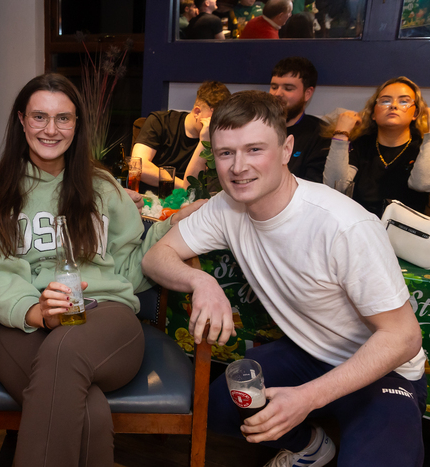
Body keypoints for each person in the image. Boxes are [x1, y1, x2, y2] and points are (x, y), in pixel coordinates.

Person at [142, 90, 426, 467]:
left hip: (382, 368)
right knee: (220, 409)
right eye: (226, 153)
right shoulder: (227, 207)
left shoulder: (344, 225)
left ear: (286, 148)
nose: (238, 167)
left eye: (255, 149)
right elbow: (155, 257)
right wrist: (202, 283)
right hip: (310, 351)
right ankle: (310, 445)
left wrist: (308, 397)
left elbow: (403, 337)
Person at [0, 73, 200, 467]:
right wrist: (38, 312)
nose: (51, 129)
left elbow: (132, 259)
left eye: (63, 118)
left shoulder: (103, 187)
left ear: (77, 124)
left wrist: (174, 224)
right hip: (24, 325)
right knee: (87, 413)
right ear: (21, 120)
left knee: (65, 350)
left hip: (105, 316)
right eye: (39, 117)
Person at [323, 76, 430, 217]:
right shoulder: (361, 144)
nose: (393, 106)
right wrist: (341, 134)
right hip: (361, 224)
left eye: (404, 101)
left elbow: (421, 184)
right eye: (385, 101)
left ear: (415, 113)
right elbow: (334, 186)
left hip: (407, 228)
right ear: (373, 113)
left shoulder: (423, 147)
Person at [133, 81, 231, 191]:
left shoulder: (216, 138)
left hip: (191, 200)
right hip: (151, 196)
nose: (217, 127)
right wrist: (184, 186)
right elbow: (138, 166)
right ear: (197, 112)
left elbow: (202, 185)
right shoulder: (160, 122)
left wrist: (204, 142)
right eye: (214, 120)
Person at [269, 56, 329, 182]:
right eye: (274, 87)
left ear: (307, 93)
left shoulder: (321, 134)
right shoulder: (257, 126)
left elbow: (313, 184)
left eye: (288, 88)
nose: (277, 94)